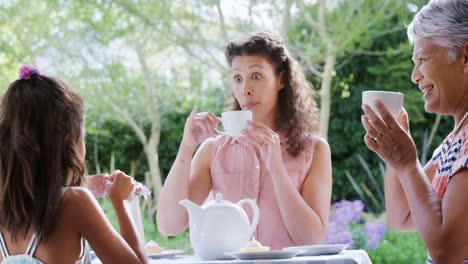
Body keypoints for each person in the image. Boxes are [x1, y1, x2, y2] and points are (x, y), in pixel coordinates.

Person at [157, 31, 332, 249]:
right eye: (237, 78)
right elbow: (169, 225)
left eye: (256, 76)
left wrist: (277, 171)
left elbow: (312, 238)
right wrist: (186, 149)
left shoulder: (314, 150)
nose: (245, 90)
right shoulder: (212, 150)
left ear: (281, 79)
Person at [0, 65, 148, 263]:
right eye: (83, 136)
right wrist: (122, 202)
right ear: (69, 142)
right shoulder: (74, 202)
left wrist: (83, 184)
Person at [360, 0, 468, 262]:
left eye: (422, 59)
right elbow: (402, 217)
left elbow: (446, 250)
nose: (414, 76)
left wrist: (407, 162)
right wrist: (394, 156)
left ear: (465, 57)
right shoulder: (455, 140)